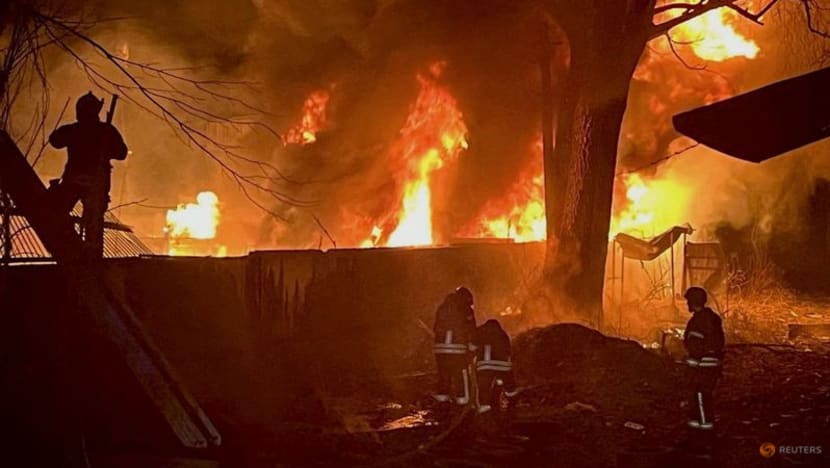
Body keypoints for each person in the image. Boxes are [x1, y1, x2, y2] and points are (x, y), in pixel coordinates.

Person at [49, 92, 128, 257]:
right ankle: (79, 248)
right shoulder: (100, 130)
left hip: (87, 182)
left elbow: (121, 153)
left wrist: (105, 149)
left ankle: (85, 253)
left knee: (85, 219)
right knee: (87, 220)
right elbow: (55, 141)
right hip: (84, 182)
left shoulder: (85, 130)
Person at [682, 286, 725, 451]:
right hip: (710, 368)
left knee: (700, 401)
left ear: (693, 302)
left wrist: (690, 367)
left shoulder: (698, 321)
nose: (687, 304)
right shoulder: (712, 318)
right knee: (699, 401)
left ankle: (705, 440)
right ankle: (695, 436)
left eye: (688, 301)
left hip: (702, 369)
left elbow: (696, 348)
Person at [432, 286, 476, 405]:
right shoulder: (466, 309)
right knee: (461, 375)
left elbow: (435, 328)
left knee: (443, 376)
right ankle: (464, 403)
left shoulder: (442, 308)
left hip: (440, 350)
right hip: (458, 349)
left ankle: (442, 402)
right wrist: (473, 347)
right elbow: (471, 330)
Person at [473, 319, 517, 414]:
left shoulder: (480, 332)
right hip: (504, 366)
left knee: (484, 387)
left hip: (485, 365)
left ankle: (484, 407)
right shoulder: (503, 334)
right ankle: (513, 402)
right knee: (510, 386)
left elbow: (473, 346)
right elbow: (509, 350)